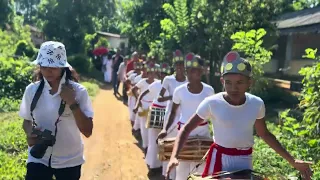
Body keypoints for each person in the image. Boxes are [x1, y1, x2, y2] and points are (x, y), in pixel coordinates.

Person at [165, 51, 313, 180]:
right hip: (219, 159)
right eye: (228, 83)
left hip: (244, 161)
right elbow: (186, 129)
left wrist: (293, 161)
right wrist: (174, 157)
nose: (233, 88)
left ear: (250, 82)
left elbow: (265, 134)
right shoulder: (212, 102)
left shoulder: (256, 104)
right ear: (222, 82)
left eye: (240, 82)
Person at [19, 41, 94, 180]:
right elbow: (26, 121)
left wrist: (72, 103)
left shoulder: (78, 92)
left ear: (62, 67)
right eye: (44, 66)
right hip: (39, 157)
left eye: (53, 66)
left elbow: (88, 131)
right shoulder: (32, 90)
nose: (48, 71)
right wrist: (30, 133)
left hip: (69, 159)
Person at [159, 53, 214, 180]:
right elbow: (173, 113)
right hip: (184, 135)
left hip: (203, 134)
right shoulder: (179, 91)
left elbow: (214, 114)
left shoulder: (209, 91)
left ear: (200, 72)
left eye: (194, 71)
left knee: (199, 172)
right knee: (182, 171)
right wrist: (165, 129)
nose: (189, 74)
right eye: (188, 71)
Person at [133, 63, 172, 177]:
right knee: (153, 139)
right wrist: (137, 104)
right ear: (160, 74)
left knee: (163, 141)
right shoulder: (156, 84)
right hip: (155, 111)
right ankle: (154, 165)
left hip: (166, 114)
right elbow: (142, 94)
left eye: (166, 74)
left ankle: (161, 167)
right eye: (163, 74)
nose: (164, 76)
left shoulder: (172, 86)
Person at [157, 50, 188, 179]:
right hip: (171, 115)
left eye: (182, 65)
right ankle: (167, 174)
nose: (179, 67)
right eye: (177, 65)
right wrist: (174, 96)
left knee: (181, 146)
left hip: (184, 117)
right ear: (174, 66)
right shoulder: (168, 79)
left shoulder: (188, 80)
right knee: (168, 144)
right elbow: (159, 97)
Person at [132, 62, 158, 155]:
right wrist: (138, 100)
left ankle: (151, 149)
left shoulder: (157, 83)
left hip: (153, 108)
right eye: (149, 73)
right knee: (144, 128)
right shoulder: (142, 82)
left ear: (155, 74)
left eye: (153, 73)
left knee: (152, 129)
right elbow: (134, 89)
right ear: (147, 74)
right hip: (143, 107)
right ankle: (145, 146)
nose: (151, 75)